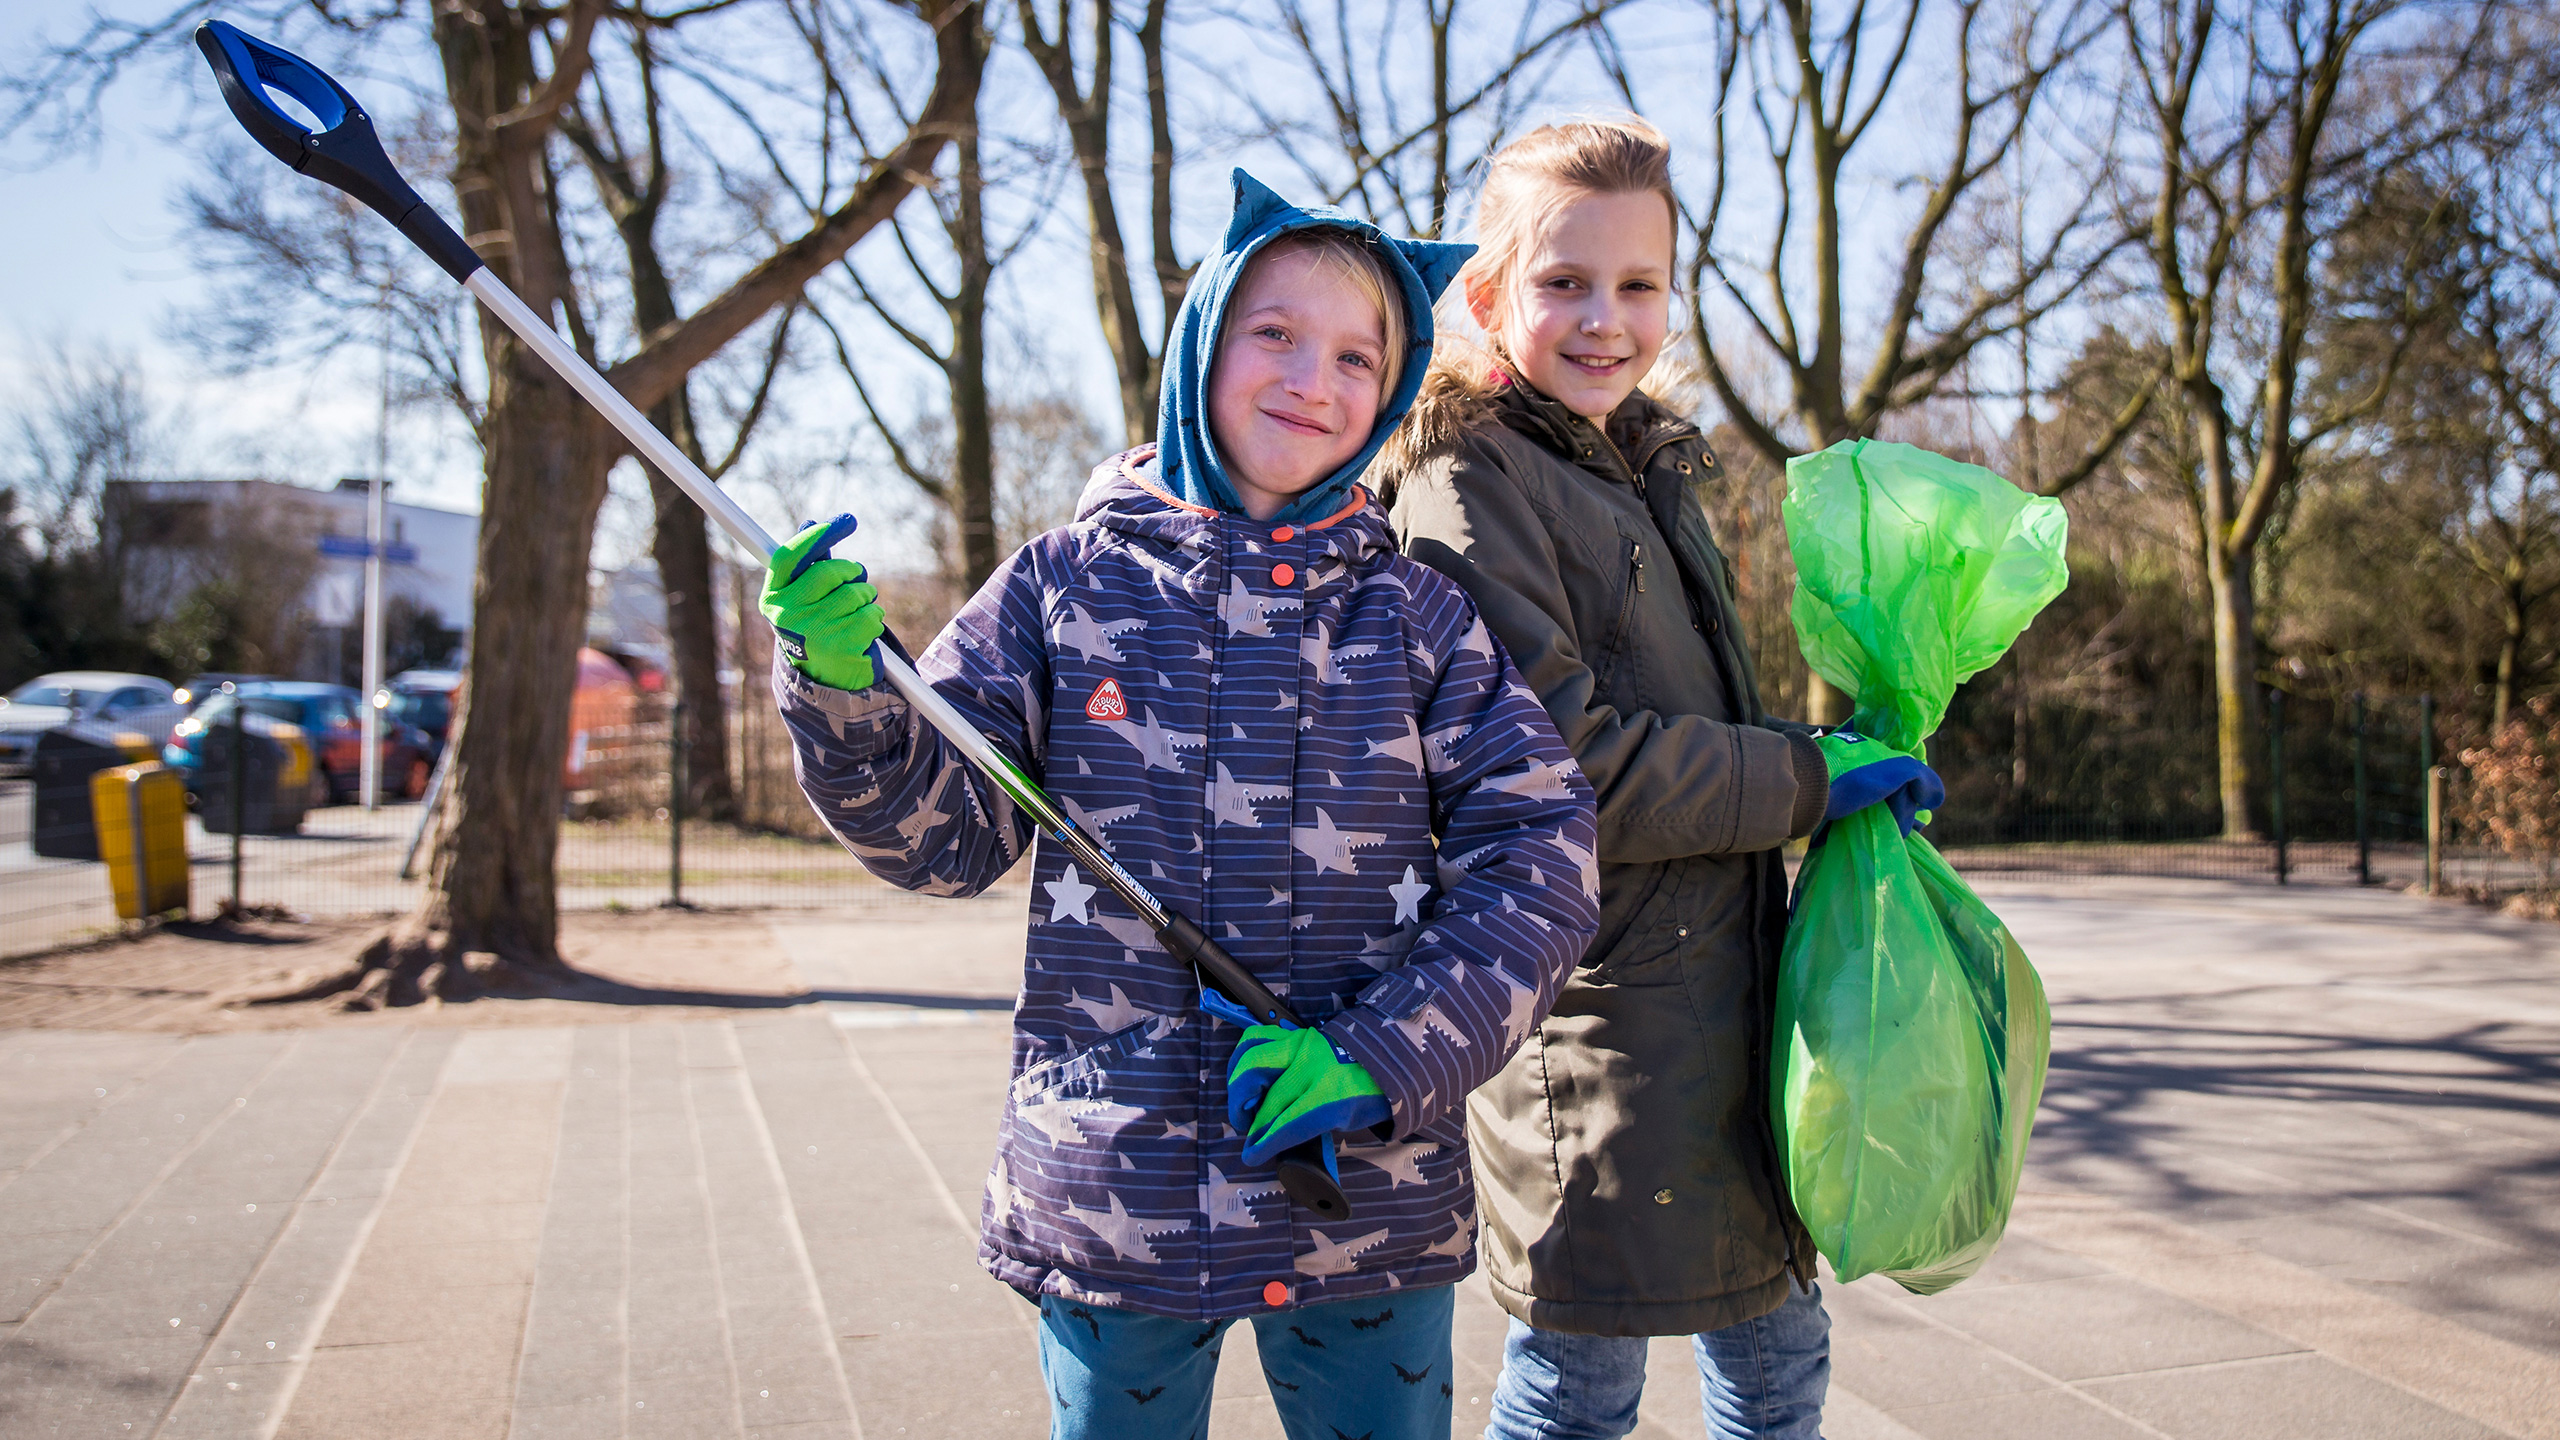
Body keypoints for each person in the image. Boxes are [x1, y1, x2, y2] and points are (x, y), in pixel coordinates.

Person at [763, 169, 1602, 1440]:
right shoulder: (1062, 590)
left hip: (1360, 1211)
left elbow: (1541, 856)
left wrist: (1379, 1059)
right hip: (1117, 1202)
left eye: (1356, 357)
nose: (1311, 378)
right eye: (1275, 333)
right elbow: (937, 839)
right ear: (1204, 339)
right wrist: (843, 690)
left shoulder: (1421, 619)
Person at [1374, 119, 1943, 1440]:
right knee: (1581, 1381)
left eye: (1637, 285)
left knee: (1781, 1351)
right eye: (1562, 282)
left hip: (1717, 1005)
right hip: (1599, 1029)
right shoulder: (1471, 482)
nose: (1603, 319)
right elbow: (1562, 768)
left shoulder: (1642, 464)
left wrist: (1845, 757)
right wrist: (1806, 777)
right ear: (1484, 294)